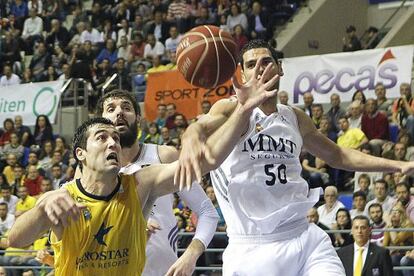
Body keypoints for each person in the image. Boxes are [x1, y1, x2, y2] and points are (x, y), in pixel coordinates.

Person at [176, 39, 414, 275]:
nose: (260, 68)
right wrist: (190, 138)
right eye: (251, 64)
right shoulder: (230, 109)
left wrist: (398, 166)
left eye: (266, 61)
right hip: (254, 246)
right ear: (242, 73)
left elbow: (338, 154)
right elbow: (201, 126)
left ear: (279, 69)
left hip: (304, 237)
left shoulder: (295, 117)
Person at [8, 73, 273, 275]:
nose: (112, 141)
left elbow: (207, 161)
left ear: (138, 118)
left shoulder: (141, 181)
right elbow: (16, 239)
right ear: (81, 153)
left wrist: (242, 110)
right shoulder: (65, 194)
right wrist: (42, 207)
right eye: (103, 135)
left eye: (114, 137)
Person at [95, 90, 218, 276]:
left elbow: (207, 211)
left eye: (126, 107)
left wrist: (191, 255)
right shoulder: (92, 169)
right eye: (111, 109)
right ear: (100, 122)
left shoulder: (164, 155)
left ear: (138, 118)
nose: (119, 112)